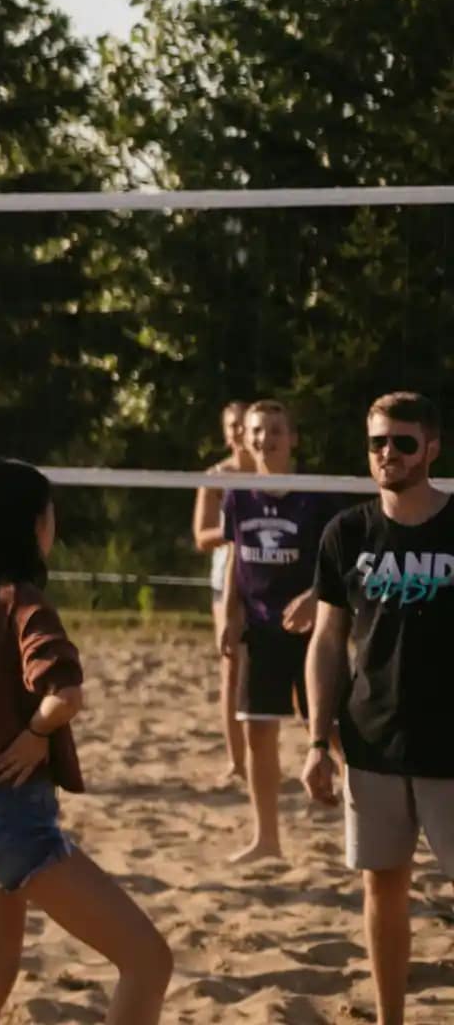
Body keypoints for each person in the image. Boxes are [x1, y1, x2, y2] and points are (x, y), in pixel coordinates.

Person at [0, 460, 172, 1025]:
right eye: (50, 515)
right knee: (149, 961)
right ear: (32, 525)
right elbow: (65, 695)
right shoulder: (22, 602)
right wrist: (35, 733)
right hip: (8, 818)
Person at [304, 391, 454, 1025]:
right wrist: (316, 740)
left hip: (451, 745)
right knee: (382, 888)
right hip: (372, 741)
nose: (388, 453)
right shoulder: (348, 532)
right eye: (377, 443)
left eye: (402, 441)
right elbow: (328, 639)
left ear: (432, 447)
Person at [217, 400, 345, 864]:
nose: (263, 439)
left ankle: (363, 819)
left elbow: (338, 560)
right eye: (256, 431)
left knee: (330, 729)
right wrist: (229, 614)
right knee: (258, 732)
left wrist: (316, 596)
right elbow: (236, 558)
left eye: (274, 430)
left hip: (313, 632)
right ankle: (266, 839)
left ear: (293, 438)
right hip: (259, 628)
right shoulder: (237, 494)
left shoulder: (316, 495)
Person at [192, 400, 256, 783]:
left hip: (271, 578)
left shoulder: (278, 473)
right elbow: (201, 536)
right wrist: (238, 528)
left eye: (242, 424)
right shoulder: (216, 476)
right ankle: (237, 762)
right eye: (230, 425)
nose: (237, 431)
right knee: (231, 666)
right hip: (226, 579)